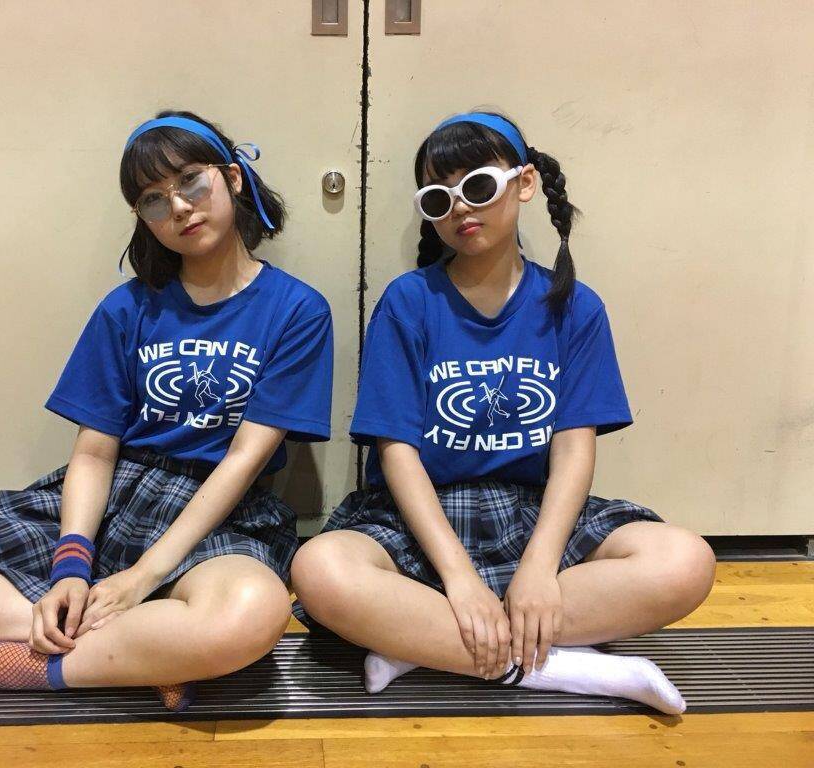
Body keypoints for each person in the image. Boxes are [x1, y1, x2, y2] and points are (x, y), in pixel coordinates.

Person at [0, 110, 334, 713]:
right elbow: (94, 455)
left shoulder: (297, 310)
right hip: (114, 492)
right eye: (153, 200)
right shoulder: (126, 309)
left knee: (252, 612)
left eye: (191, 182)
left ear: (231, 178)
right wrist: (71, 567)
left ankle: (9, 662)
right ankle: (143, 651)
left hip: (221, 511)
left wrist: (143, 577)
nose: (178, 207)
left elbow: (243, 461)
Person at [289, 110, 715, 715]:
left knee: (685, 562)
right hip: (422, 518)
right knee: (320, 568)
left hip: (531, 512)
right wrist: (459, 580)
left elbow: (574, 448)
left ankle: (424, 644)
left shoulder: (574, 306)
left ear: (525, 183)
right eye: (439, 198)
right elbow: (397, 453)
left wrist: (540, 568)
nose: (461, 208)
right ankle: (573, 670)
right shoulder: (408, 301)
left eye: (480, 186)